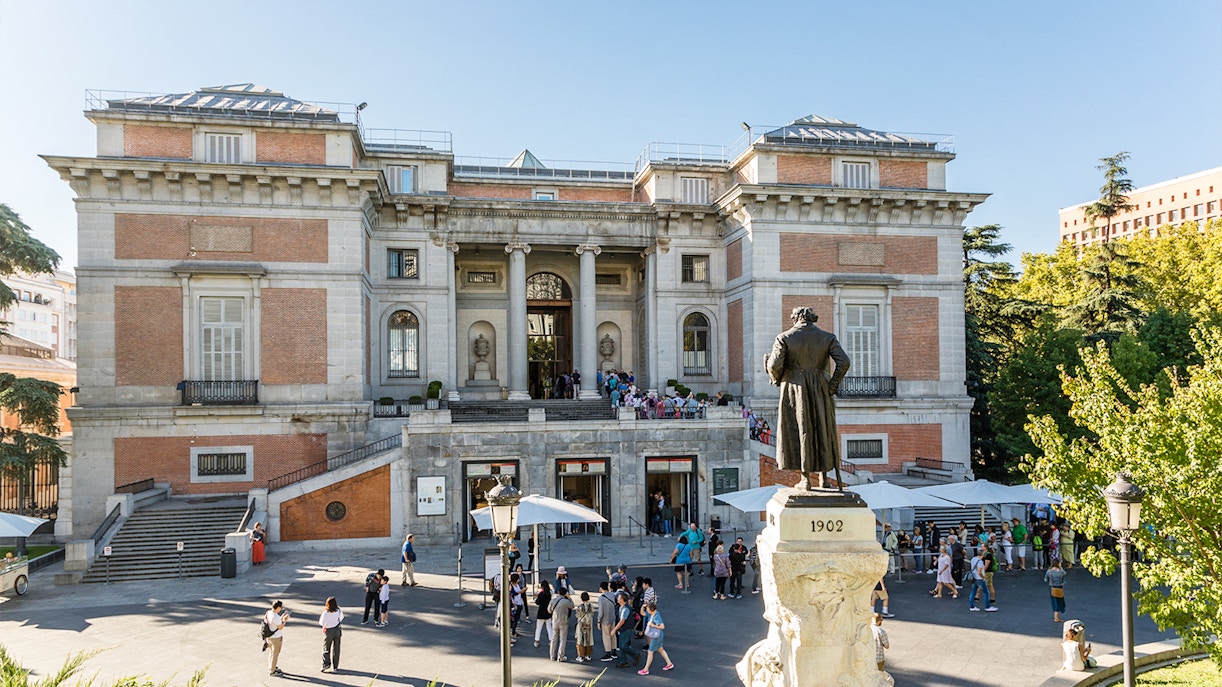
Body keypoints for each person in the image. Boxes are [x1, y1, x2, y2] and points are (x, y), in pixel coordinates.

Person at [765, 306, 851, 490]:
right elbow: (844, 362)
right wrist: (832, 386)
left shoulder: (784, 338)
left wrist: (772, 374)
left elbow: (774, 365)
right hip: (821, 387)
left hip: (794, 388)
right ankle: (824, 478)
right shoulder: (827, 338)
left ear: (795, 318)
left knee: (801, 430)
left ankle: (805, 480)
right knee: (823, 430)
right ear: (813, 319)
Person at [638, 601, 675, 675]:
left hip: (656, 636)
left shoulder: (656, 616)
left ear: (651, 609)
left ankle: (646, 669)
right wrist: (642, 607)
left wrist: (653, 625)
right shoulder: (651, 614)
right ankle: (669, 663)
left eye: (647, 608)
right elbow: (642, 613)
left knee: (650, 652)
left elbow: (662, 626)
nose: (647, 610)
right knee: (660, 649)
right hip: (658, 635)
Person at [613, 591, 643, 668]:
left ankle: (636, 655)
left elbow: (622, 621)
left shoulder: (625, 609)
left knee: (623, 645)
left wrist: (614, 630)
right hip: (624, 628)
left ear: (622, 600)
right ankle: (623, 661)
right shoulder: (622, 607)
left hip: (626, 628)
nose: (617, 598)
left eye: (619, 598)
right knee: (621, 645)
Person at [548, 586, 575, 661]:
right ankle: (560, 656)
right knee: (563, 639)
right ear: (565, 594)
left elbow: (549, 610)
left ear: (559, 592)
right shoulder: (566, 602)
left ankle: (552, 655)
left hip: (555, 621)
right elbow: (572, 606)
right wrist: (569, 597)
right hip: (564, 621)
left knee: (554, 638)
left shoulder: (553, 601)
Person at [264, 600, 290, 677]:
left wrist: (281, 617)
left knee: (271, 653)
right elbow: (280, 627)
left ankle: (271, 667)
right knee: (275, 654)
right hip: (276, 638)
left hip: (269, 637)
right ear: (278, 607)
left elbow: (275, 622)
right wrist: (285, 620)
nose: (281, 609)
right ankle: (272, 671)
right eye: (281, 607)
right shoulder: (275, 617)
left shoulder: (269, 613)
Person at [318, 596, 343, 674]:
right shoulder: (338, 610)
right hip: (337, 630)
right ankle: (335, 665)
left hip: (329, 631)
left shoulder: (325, 613)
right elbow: (341, 618)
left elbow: (321, 622)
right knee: (337, 648)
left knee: (326, 647)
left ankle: (326, 663)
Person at [597, 580, 618, 661]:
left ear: (601, 588)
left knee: (606, 636)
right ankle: (614, 651)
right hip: (612, 618)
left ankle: (608, 653)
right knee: (613, 635)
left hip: (605, 620)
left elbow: (601, 611)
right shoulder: (612, 595)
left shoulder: (601, 598)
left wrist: (599, 621)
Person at [574, 591, 596, 663]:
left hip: (581, 624)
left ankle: (581, 656)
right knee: (589, 639)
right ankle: (588, 655)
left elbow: (578, 615)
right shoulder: (591, 605)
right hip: (589, 624)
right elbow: (593, 614)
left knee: (580, 640)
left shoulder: (580, 607)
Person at [533, 579, 553, 648]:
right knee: (549, 627)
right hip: (548, 612)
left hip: (541, 612)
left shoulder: (541, 594)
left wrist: (536, 597)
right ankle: (551, 641)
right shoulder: (549, 593)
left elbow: (537, 602)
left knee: (538, 628)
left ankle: (536, 641)